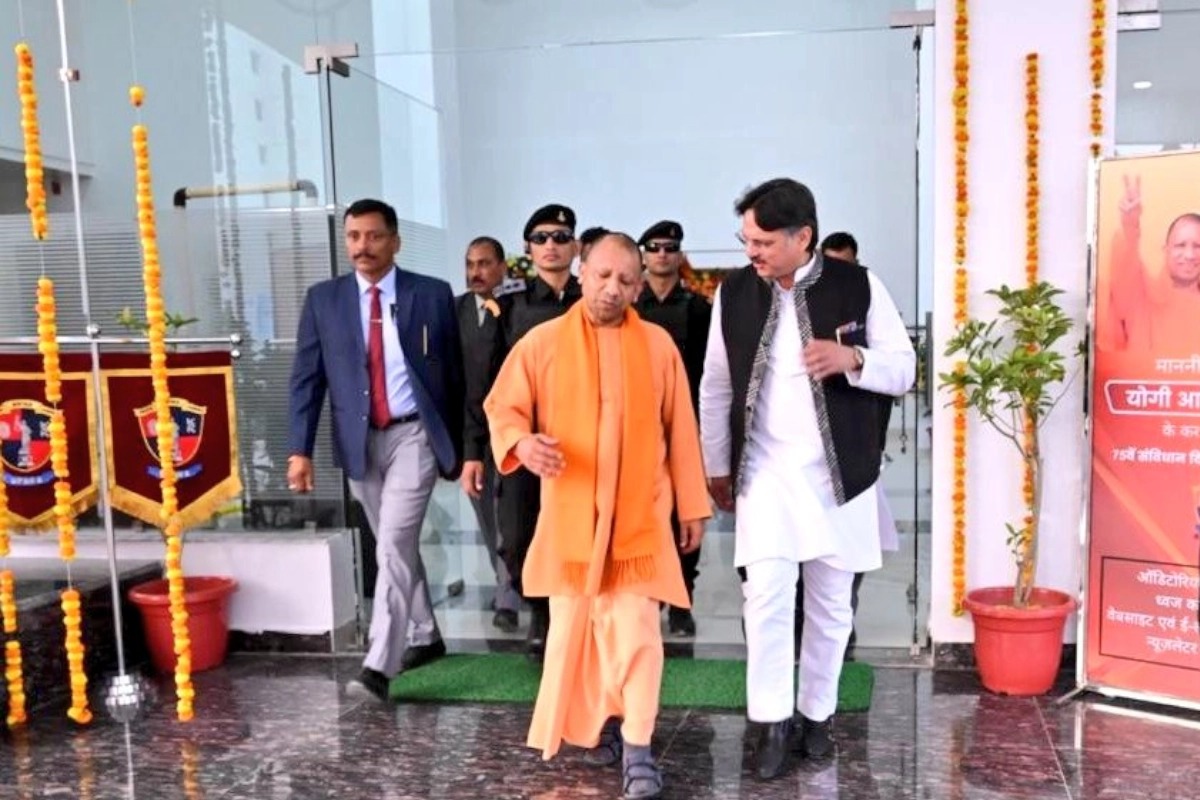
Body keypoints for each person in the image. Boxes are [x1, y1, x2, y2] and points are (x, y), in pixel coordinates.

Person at [700, 179, 914, 780]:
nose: (752, 252)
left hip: (840, 473)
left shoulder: (858, 285)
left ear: (804, 238)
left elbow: (905, 368)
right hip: (765, 472)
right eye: (746, 240)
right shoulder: (733, 293)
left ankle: (816, 715)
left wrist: (854, 360)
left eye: (764, 242)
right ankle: (769, 722)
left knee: (831, 604)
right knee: (765, 595)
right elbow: (716, 385)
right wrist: (716, 464)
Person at [483, 232, 710, 800]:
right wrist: (522, 444)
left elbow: (682, 428)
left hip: (641, 520)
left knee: (636, 634)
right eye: (604, 275)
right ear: (583, 272)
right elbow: (503, 406)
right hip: (570, 523)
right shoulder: (543, 342)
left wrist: (692, 505)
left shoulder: (657, 345)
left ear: (639, 287)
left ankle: (638, 747)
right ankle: (603, 722)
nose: (613, 288)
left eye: (626, 280)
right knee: (579, 635)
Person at [287, 198, 465, 702]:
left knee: (391, 542)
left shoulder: (431, 294)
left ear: (395, 241)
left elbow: (455, 375)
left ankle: (378, 666)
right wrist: (299, 449)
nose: (362, 246)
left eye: (373, 236)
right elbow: (307, 379)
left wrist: (461, 447)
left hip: (414, 435)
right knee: (395, 543)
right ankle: (424, 633)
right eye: (354, 236)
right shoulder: (323, 300)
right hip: (358, 441)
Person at [463, 203, 582, 659]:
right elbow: (484, 385)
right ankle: (541, 611)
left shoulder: (592, 301)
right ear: (527, 248)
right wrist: (474, 452)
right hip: (525, 445)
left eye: (560, 237)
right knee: (516, 539)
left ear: (575, 247)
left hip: (581, 445)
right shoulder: (507, 307)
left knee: (578, 537)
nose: (551, 246)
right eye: (541, 238)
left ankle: (572, 621)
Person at [634, 219, 712, 637]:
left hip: (687, 425)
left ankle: (682, 601)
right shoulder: (630, 308)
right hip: (639, 428)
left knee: (686, 514)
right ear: (644, 255)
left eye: (669, 248)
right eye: (654, 248)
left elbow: (713, 375)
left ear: (680, 255)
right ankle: (650, 596)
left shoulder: (700, 309)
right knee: (645, 516)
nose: (662, 254)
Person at [456, 236, 521, 633]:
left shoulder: (516, 310)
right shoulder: (457, 311)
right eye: (470, 264)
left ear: (502, 268)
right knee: (487, 518)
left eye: (483, 264)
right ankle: (506, 585)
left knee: (510, 517)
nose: (475, 272)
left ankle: (509, 597)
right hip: (473, 434)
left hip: (513, 431)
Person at [1104, 173, 1200, 355]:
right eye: (1180, 245)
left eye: (1198, 246)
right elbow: (1124, 263)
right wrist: (1130, 224)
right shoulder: (1143, 297)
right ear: (1166, 250)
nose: (1189, 255)